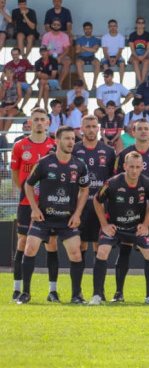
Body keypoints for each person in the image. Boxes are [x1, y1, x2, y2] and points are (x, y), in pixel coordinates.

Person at [18, 126, 89, 305]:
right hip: (44, 218)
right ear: (57, 141)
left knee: (76, 254)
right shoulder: (44, 163)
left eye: (73, 139)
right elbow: (28, 184)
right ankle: (25, 293)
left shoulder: (79, 165)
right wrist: (34, 208)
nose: (71, 142)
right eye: (67, 139)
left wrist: (78, 214)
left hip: (66, 219)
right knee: (30, 248)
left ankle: (76, 295)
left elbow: (84, 189)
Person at [93, 152, 149, 304]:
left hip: (135, 228)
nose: (134, 170)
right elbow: (97, 201)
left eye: (137, 167)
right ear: (124, 166)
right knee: (102, 252)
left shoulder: (147, 183)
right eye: (131, 167)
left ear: (142, 167)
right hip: (115, 227)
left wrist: (146, 224)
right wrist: (104, 225)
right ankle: (97, 295)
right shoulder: (113, 183)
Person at [10, 109, 57, 303]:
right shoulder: (20, 145)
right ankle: (17, 289)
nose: (38, 123)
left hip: (49, 204)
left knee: (51, 245)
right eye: (35, 119)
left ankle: (52, 291)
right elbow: (15, 173)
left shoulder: (54, 145)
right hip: (26, 203)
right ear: (30, 122)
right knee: (22, 244)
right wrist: (25, 193)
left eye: (42, 120)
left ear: (47, 123)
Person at [73, 115, 116, 283]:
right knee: (80, 246)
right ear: (81, 128)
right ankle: (79, 290)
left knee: (100, 247)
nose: (91, 129)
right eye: (87, 126)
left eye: (94, 126)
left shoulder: (108, 151)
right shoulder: (75, 150)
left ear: (99, 128)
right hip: (80, 208)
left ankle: (99, 290)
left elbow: (114, 181)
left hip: (100, 208)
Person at [74, 22, 101, 89]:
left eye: (89, 29)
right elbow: (77, 51)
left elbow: (95, 50)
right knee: (78, 63)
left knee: (97, 63)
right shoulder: (79, 39)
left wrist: (83, 47)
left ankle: (94, 84)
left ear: (92, 29)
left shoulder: (96, 39)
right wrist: (90, 49)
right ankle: (84, 84)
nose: (88, 30)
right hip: (81, 57)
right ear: (83, 30)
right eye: (86, 29)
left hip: (91, 57)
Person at [128, 17, 149, 85]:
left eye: (142, 23)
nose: (141, 24)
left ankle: (141, 82)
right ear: (136, 24)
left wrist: (143, 56)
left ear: (144, 25)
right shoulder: (132, 35)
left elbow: (148, 49)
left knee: (146, 62)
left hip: (145, 54)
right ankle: (141, 82)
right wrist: (137, 57)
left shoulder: (148, 35)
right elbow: (132, 49)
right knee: (135, 62)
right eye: (139, 23)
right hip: (135, 54)